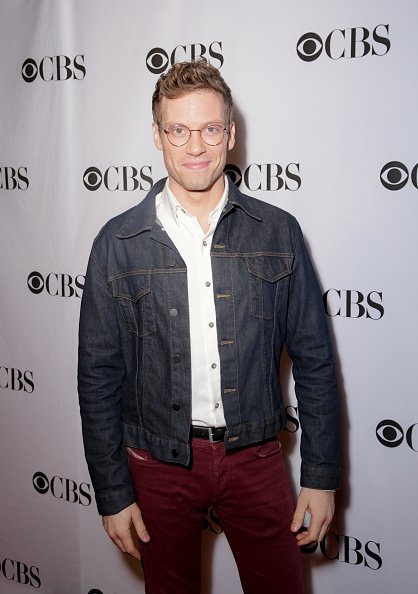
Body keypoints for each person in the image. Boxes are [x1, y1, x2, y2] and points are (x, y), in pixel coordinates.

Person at [78, 59, 340, 594]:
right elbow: (98, 378)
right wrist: (112, 493)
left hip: (257, 460)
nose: (195, 145)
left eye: (210, 128)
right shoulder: (117, 242)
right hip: (157, 467)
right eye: (178, 129)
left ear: (231, 133)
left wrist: (320, 476)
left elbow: (315, 362)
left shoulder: (278, 231)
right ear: (157, 135)